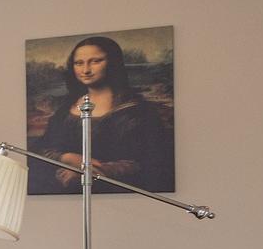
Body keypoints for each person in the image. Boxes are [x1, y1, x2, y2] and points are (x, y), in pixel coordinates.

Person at [30, 35, 174, 193]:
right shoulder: (64, 109)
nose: (86, 70)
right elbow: (40, 150)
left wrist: (94, 171)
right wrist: (68, 158)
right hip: (62, 197)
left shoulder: (137, 110)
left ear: (112, 63)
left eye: (96, 61)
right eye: (79, 63)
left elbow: (149, 160)